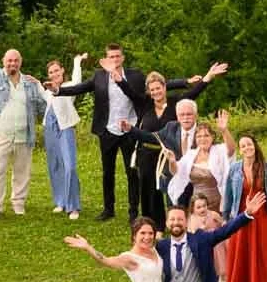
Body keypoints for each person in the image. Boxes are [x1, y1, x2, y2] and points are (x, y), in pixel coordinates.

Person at [54, 45, 208, 223]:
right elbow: (80, 88)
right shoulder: (99, 76)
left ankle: (133, 211)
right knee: (108, 172)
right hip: (107, 130)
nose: (114, 59)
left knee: (132, 172)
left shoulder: (134, 76)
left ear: (122, 58)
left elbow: (158, 85)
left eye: (117, 56)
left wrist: (185, 81)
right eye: (111, 56)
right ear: (106, 59)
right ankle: (108, 209)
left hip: (131, 130)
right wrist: (58, 91)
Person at [0, 30, 49, 222]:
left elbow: (43, 106)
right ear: (3, 61)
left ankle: (18, 204)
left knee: (22, 173)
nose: (12, 63)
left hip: (24, 136)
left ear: (20, 62)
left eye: (16, 60)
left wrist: (46, 89)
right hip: (1, 135)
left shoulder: (29, 83)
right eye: (9, 60)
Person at [133, 67, 224, 228]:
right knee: (152, 190)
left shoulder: (176, 103)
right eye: (152, 90)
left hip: (174, 155)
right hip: (149, 153)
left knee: (182, 189)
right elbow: (130, 92)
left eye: (158, 88)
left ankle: (189, 222)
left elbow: (193, 94)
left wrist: (207, 77)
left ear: (165, 87)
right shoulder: (146, 104)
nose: (155, 92)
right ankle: (157, 224)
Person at [222, 132, 267, 282]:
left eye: (249, 144)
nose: (247, 147)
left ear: (255, 145)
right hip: (241, 216)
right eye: (243, 146)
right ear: (240, 150)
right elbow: (228, 194)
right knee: (241, 254)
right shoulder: (234, 168)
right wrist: (226, 218)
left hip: (261, 217)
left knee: (261, 254)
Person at [41, 56, 87, 220]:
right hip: (49, 128)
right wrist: (33, 82)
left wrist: (77, 61)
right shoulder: (48, 91)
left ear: (62, 71)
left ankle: (73, 206)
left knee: (70, 166)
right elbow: (41, 94)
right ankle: (61, 201)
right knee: (55, 165)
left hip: (65, 127)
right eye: (51, 72)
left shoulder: (68, 87)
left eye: (56, 70)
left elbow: (77, 80)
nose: (54, 74)